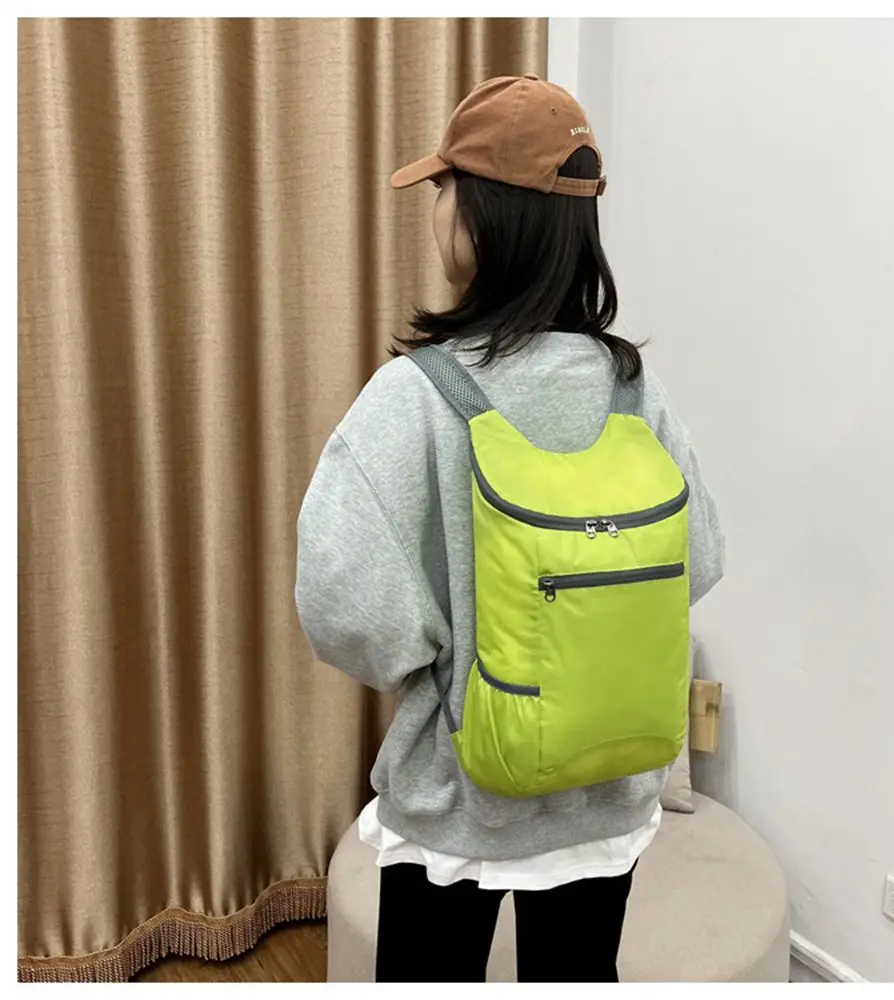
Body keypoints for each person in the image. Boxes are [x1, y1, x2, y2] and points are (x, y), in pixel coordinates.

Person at [295, 74, 725, 983]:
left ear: (480, 219)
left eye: (444, 187)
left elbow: (345, 608)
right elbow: (701, 559)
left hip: (461, 796)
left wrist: (445, 659)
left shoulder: (415, 399)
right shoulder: (633, 390)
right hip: (609, 792)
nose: (437, 210)